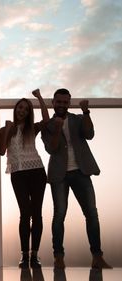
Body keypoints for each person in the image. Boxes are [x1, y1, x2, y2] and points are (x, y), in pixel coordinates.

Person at [41, 88, 112, 269]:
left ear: (69, 103)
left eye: (65, 102)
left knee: (91, 214)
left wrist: (86, 112)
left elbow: (89, 134)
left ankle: (97, 257)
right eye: (59, 102)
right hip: (59, 174)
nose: (62, 105)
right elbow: (52, 149)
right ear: (53, 103)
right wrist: (57, 128)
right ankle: (58, 258)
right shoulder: (48, 125)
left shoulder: (77, 119)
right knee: (59, 215)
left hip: (81, 171)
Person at [0, 89, 49, 268]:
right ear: (15, 109)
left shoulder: (32, 128)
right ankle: (24, 255)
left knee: (36, 213)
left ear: (28, 113)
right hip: (17, 174)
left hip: (37, 171)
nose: (22, 111)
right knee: (24, 213)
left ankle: (35, 255)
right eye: (20, 107)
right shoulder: (6, 128)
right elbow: (1, 151)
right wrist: (7, 130)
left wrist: (40, 98)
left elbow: (46, 120)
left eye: (26, 109)